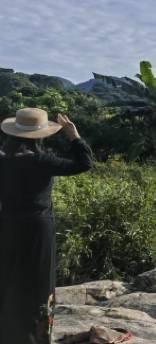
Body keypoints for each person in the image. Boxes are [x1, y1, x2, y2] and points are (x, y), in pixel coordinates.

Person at [0, 108, 93, 344]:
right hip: (38, 230)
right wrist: (74, 135)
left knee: (8, 278)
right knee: (38, 281)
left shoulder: (3, 159)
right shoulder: (42, 161)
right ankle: (35, 338)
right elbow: (84, 163)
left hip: (7, 224)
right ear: (40, 135)